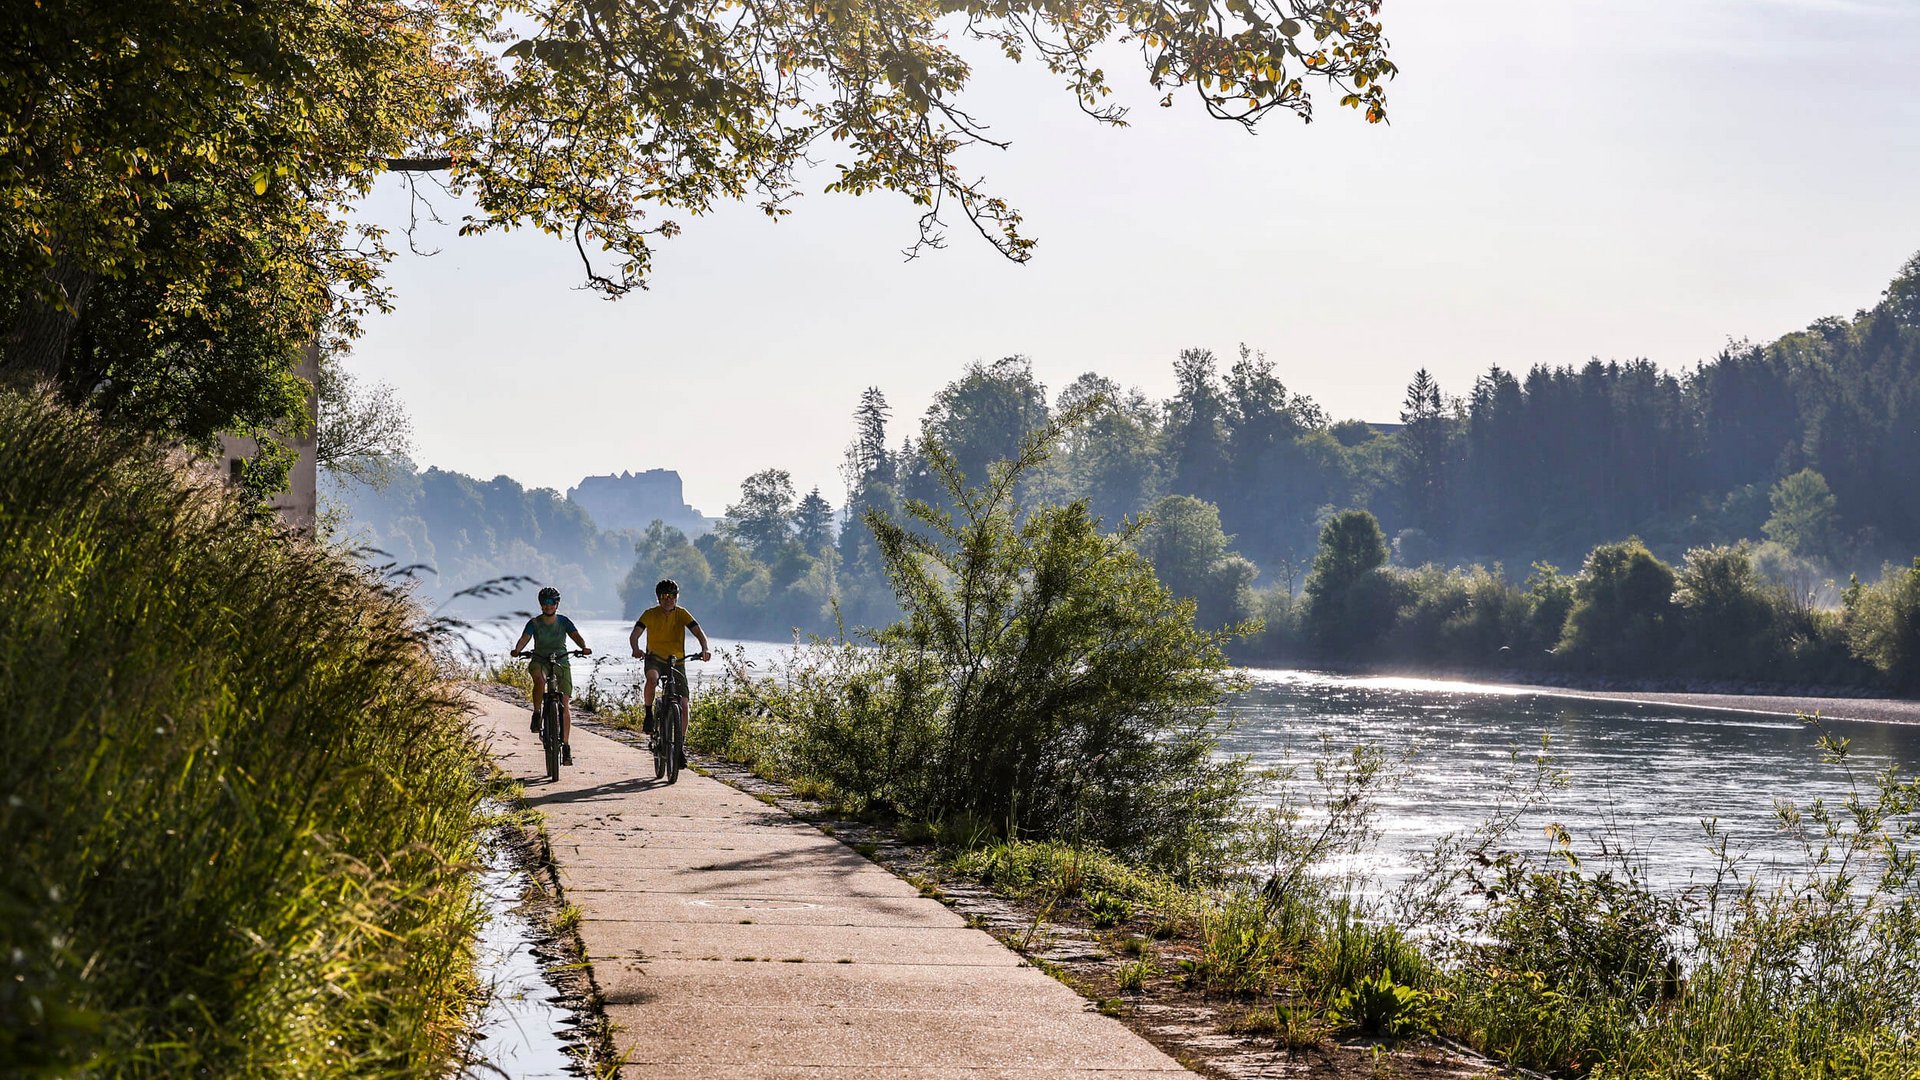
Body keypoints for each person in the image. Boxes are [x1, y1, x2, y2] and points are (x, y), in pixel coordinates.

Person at [629, 578, 711, 770]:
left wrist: (705, 648)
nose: (669, 600)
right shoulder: (650, 614)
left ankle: (680, 747)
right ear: (658, 598)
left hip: (677, 661)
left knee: (683, 703)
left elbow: (699, 632)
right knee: (652, 679)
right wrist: (635, 648)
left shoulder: (682, 614)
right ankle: (649, 714)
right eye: (665, 596)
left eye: (672, 596)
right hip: (655, 658)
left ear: (677, 597)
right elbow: (635, 634)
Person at [510, 586, 591, 766]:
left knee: (565, 703)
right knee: (539, 679)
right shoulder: (534, 622)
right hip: (540, 659)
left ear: (557, 604)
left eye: (551, 603)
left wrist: (584, 647)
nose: (548, 606)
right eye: (545, 603)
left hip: (561, 661)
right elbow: (525, 638)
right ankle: (537, 713)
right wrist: (518, 650)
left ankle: (567, 745)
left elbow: (576, 636)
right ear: (540, 605)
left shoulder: (563, 622)